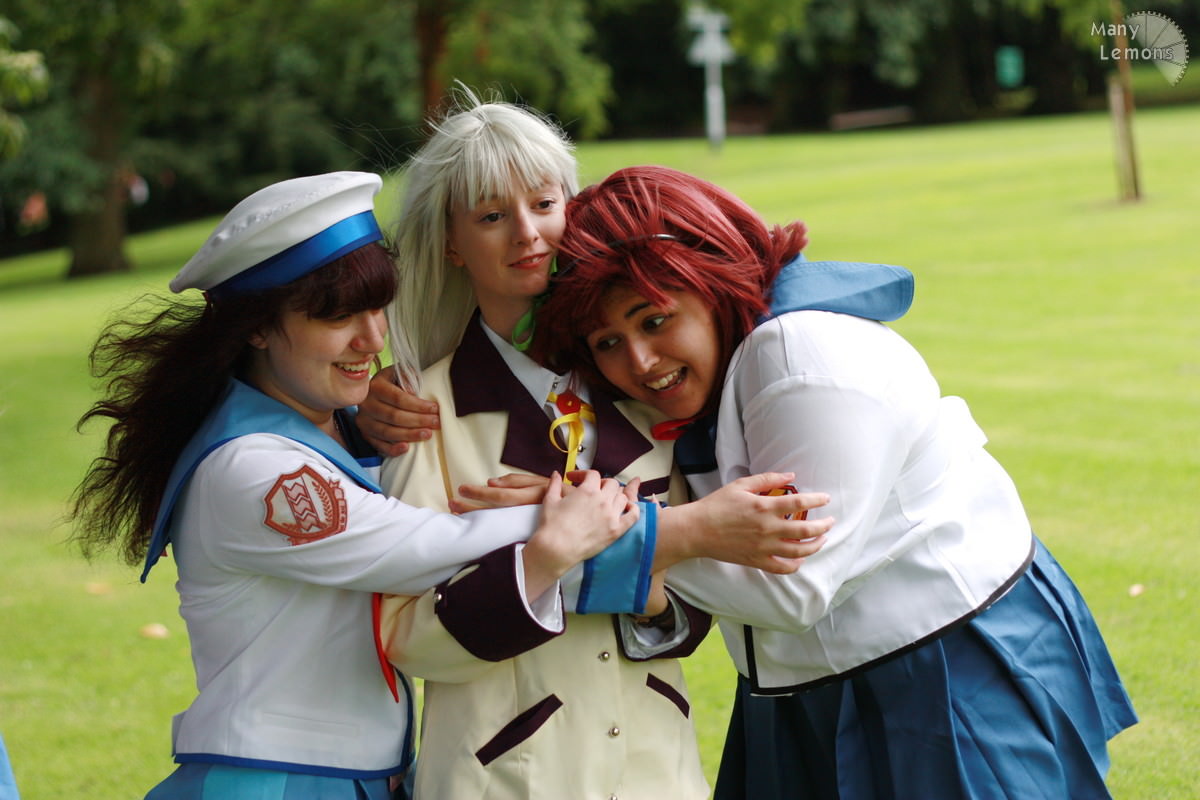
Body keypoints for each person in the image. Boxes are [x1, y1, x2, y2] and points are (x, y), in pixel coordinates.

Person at [357, 94, 918, 799]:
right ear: (449, 242)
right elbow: (405, 636)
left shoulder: (643, 381)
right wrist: (545, 558)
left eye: (544, 204)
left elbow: (700, 603)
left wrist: (637, 572)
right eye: (491, 216)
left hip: (658, 773)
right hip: (502, 781)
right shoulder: (421, 409)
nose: (528, 234)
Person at [532, 165, 1139, 800]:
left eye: (654, 320)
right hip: (808, 684)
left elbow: (794, 589)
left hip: (944, 670)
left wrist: (582, 540)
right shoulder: (714, 369)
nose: (639, 360)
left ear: (711, 283)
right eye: (608, 341)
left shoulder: (802, 355)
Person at [68, 171, 656, 800]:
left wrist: (369, 427)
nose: (373, 339)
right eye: (338, 316)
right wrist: (588, 512)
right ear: (256, 328)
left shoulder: (327, 429)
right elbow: (426, 549)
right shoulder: (255, 469)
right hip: (281, 784)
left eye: (378, 308)